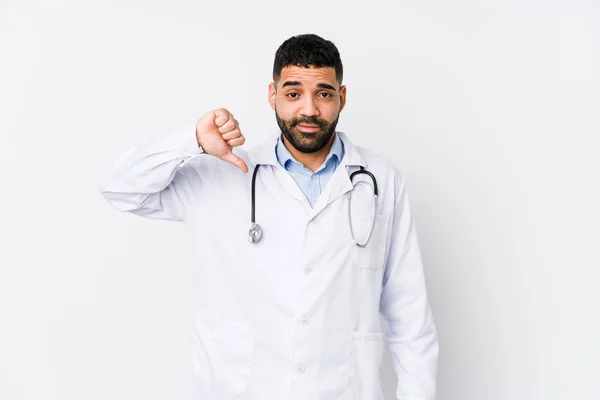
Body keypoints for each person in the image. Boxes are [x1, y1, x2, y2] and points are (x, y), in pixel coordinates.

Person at [99, 33, 438, 400]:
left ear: (341, 97)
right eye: (293, 94)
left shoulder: (379, 180)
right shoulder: (221, 172)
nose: (308, 110)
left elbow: (410, 316)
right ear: (272, 95)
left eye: (323, 93)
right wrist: (193, 140)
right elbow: (120, 188)